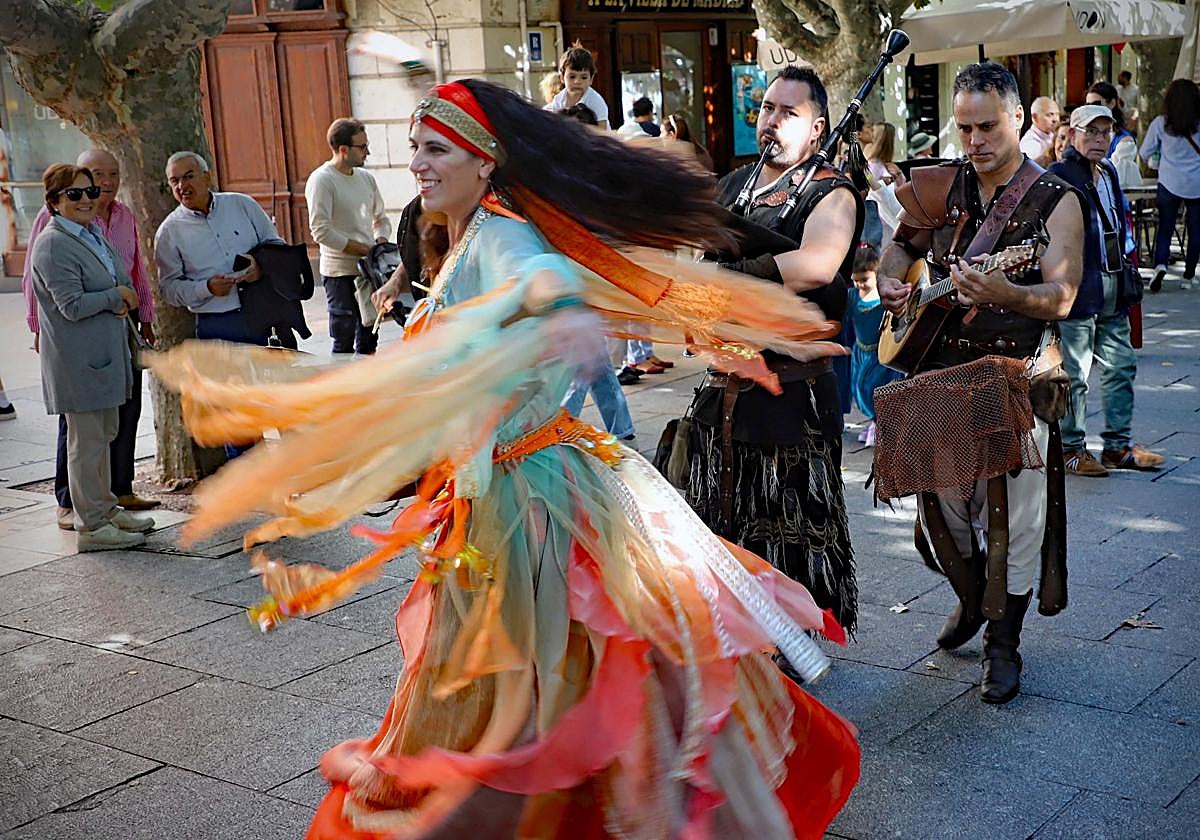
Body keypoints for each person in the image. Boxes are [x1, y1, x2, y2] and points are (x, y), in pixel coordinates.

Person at [149, 79, 860, 838]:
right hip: (503, 490)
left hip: (530, 502)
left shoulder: (503, 236)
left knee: (535, 693)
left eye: (435, 150)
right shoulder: (469, 234)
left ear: (486, 164)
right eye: (416, 147)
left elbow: (539, 279)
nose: (417, 164)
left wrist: (558, 312)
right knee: (564, 683)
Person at [878, 62, 1085, 704]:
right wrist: (892, 280)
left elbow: (1063, 296)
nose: (974, 140)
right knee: (943, 513)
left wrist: (1009, 293)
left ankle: (1004, 641)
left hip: (1016, 379)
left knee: (1015, 521)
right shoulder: (941, 183)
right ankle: (971, 599)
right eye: (964, 127)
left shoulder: (1056, 198)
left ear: (1018, 117)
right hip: (939, 375)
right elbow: (899, 248)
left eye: (987, 125)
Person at [687, 65, 863, 652]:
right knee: (725, 514)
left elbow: (817, 264)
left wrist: (732, 281)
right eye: (767, 108)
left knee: (788, 521)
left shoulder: (832, 190)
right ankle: (735, 634)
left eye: (789, 113)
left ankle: (795, 640)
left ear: (817, 129)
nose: (772, 121)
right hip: (724, 384)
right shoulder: (735, 184)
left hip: (795, 390)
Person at [22, 148, 159, 528]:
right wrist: (117, 297)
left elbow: (127, 274)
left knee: (105, 435)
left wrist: (131, 300)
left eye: (90, 191)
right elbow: (70, 304)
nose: (88, 199)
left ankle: (106, 509)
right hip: (78, 360)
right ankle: (92, 523)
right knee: (85, 443)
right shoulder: (53, 241)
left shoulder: (92, 232)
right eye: (75, 194)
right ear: (54, 201)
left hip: (107, 354)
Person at [1049, 104, 1164, 477]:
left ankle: (1117, 446)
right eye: (1092, 132)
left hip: (1113, 283)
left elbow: (1118, 224)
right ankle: (1072, 449)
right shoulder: (1060, 174)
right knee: (1076, 374)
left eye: (1105, 132)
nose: (1099, 139)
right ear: (1074, 133)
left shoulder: (1109, 170)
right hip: (1080, 285)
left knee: (1121, 365)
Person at [155, 151, 285, 343]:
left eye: (189, 176)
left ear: (207, 177)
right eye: (175, 181)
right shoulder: (169, 232)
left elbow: (277, 247)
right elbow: (168, 288)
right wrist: (206, 288)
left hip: (264, 312)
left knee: (280, 372)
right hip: (217, 322)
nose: (182, 186)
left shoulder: (242, 204)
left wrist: (260, 266)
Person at [306, 118, 391, 356]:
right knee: (342, 341)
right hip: (338, 273)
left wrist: (381, 242)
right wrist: (363, 249)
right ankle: (341, 390)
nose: (368, 152)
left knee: (369, 336)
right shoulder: (322, 180)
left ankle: (368, 389)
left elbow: (381, 218)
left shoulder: (366, 178)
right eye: (362, 147)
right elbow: (320, 230)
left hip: (368, 270)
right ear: (343, 150)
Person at [1140, 79, 1200, 292]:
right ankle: (1189, 275)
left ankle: (1160, 265)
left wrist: (1155, 162)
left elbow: (1144, 152)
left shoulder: (1160, 123)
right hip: (1197, 184)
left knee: (1165, 227)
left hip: (1168, 182)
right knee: (1196, 231)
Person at [848, 245, 901, 447]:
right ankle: (873, 421)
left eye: (865, 280)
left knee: (875, 391)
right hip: (860, 351)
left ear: (877, 275)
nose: (860, 284)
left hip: (879, 357)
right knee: (860, 390)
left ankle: (879, 425)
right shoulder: (853, 296)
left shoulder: (882, 299)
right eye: (856, 280)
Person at [1086, 82, 1141, 188]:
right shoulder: (1084, 135)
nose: (1091, 109)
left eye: (1096, 104)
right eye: (1088, 105)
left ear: (1112, 103)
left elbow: (1113, 176)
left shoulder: (1124, 141)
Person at [543, 41, 610, 129]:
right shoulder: (559, 99)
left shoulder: (596, 101)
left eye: (584, 77)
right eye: (572, 77)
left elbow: (602, 130)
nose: (577, 81)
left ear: (591, 79)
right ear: (562, 78)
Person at [1019, 96, 1061, 167]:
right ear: (1035, 117)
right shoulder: (1029, 144)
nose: (1055, 119)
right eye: (1049, 115)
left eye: (1057, 114)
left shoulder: (1054, 134)